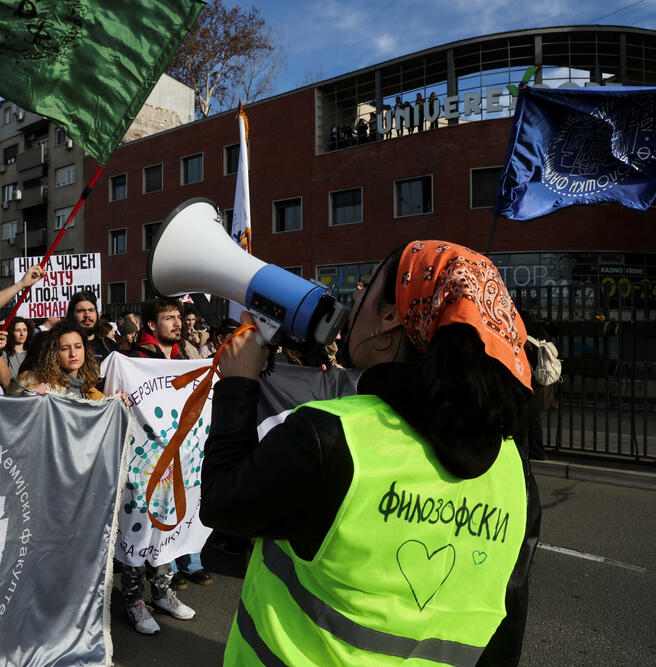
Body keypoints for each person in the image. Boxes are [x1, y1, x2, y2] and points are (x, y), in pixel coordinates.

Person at [201, 240, 540, 665]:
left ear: (390, 317)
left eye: (368, 286)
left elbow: (221, 504)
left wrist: (238, 385)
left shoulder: (329, 435)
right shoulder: (515, 472)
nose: (355, 295)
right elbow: (507, 628)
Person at [8, 321, 105, 400]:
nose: (73, 354)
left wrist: (118, 403)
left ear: (85, 350)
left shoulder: (92, 393)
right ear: (54, 353)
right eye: (65, 348)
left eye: (78, 347)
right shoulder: (35, 383)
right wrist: (30, 399)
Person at [126, 298, 191, 360]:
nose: (178, 324)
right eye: (169, 318)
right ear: (152, 325)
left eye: (179, 317)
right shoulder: (138, 359)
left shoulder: (182, 354)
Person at [66, 291, 118, 362]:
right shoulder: (62, 346)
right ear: (71, 315)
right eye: (81, 311)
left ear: (97, 314)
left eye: (91, 310)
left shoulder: (110, 346)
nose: (87, 315)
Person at [4, 317, 32, 381]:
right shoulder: (5, 354)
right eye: (18, 330)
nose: (22, 334)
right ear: (11, 332)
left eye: (24, 330)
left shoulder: (32, 352)